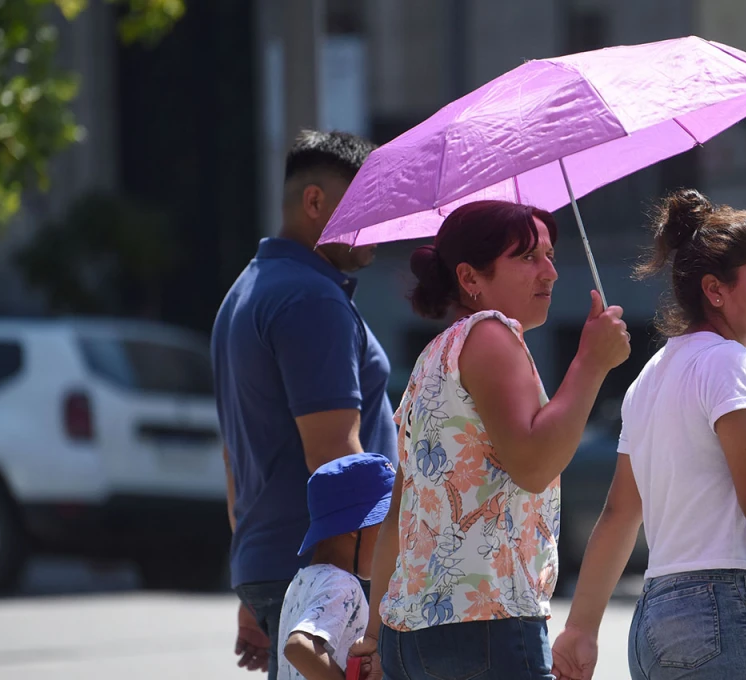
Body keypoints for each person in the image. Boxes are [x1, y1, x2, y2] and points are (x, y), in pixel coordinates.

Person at [550, 189, 746, 680]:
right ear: (715, 290)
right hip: (723, 612)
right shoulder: (730, 364)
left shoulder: (650, 376)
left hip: (655, 621)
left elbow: (619, 514)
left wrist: (582, 629)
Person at [351, 200, 630, 679]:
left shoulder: (434, 355)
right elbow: (533, 465)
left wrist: (376, 634)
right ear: (470, 278)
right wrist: (591, 363)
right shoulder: (491, 334)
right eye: (527, 257)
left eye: (550, 255)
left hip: (411, 632)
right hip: (486, 627)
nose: (549, 272)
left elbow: (401, 511)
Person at [212, 129, 398, 678]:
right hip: (327, 568)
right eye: (367, 204)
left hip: (276, 563)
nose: (382, 222)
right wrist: (377, 581)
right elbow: (335, 458)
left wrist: (253, 580)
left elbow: (234, 459)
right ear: (314, 202)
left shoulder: (248, 288)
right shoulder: (311, 299)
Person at [278, 453, 396, 680]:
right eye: (384, 526)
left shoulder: (302, 580)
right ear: (355, 527)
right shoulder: (342, 585)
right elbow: (298, 647)